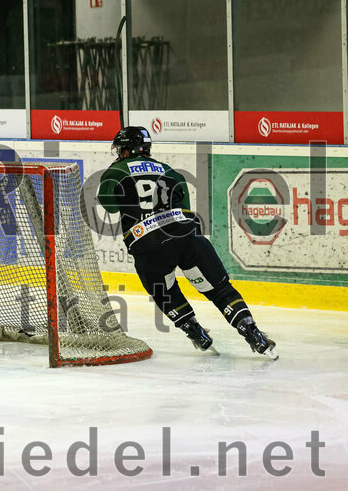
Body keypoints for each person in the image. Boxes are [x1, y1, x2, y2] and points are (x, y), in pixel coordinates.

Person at [97, 126, 277, 359]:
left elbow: (109, 205)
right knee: (220, 290)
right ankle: (253, 333)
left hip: (148, 246)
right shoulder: (171, 172)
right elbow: (185, 210)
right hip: (187, 237)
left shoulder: (117, 171)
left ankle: (195, 332)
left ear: (126, 150)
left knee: (165, 293)